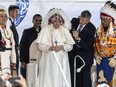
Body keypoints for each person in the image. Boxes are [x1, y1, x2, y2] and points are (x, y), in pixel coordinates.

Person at [36, 8, 75, 87]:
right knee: (48, 79)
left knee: (61, 79)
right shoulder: (46, 30)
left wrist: (62, 47)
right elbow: (40, 45)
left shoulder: (65, 30)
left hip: (62, 59)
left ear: (61, 22)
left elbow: (70, 46)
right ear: (51, 21)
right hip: (48, 59)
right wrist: (49, 48)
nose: (57, 23)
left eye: (58, 21)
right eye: (55, 21)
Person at [68, 10, 96, 87]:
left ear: (88, 21)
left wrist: (78, 38)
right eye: (80, 18)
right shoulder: (74, 21)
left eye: (83, 20)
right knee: (74, 78)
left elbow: (87, 46)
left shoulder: (91, 28)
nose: (80, 21)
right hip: (73, 56)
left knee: (85, 79)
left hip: (85, 58)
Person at [94, 1, 116, 87]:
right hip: (101, 62)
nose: (102, 21)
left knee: (112, 83)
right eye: (101, 19)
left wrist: (115, 58)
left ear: (110, 19)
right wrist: (96, 55)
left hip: (112, 62)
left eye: (104, 19)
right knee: (101, 84)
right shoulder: (99, 31)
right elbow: (95, 45)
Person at [20, 14, 42, 78]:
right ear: (33, 21)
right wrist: (22, 60)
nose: (38, 22)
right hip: (29, 58)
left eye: (40, 20)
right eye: (36, 20)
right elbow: (22, 46)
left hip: (41, 58)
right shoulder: (27, 31)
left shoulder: (44, 31)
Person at [0, 7, 16, 75]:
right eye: (1, 16)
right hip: (0, 57)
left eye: (6, 16)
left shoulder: (9, 31)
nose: (4, 18)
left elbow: (13, 47)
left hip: (7, 59)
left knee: (7, 80)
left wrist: (13, 60)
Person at [8, 5, 19, 75]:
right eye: (16, 12)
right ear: (10, 12)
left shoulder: (11, 22)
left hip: (14, 51)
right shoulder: (8, 23)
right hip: (10, 52)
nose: (17, 14)